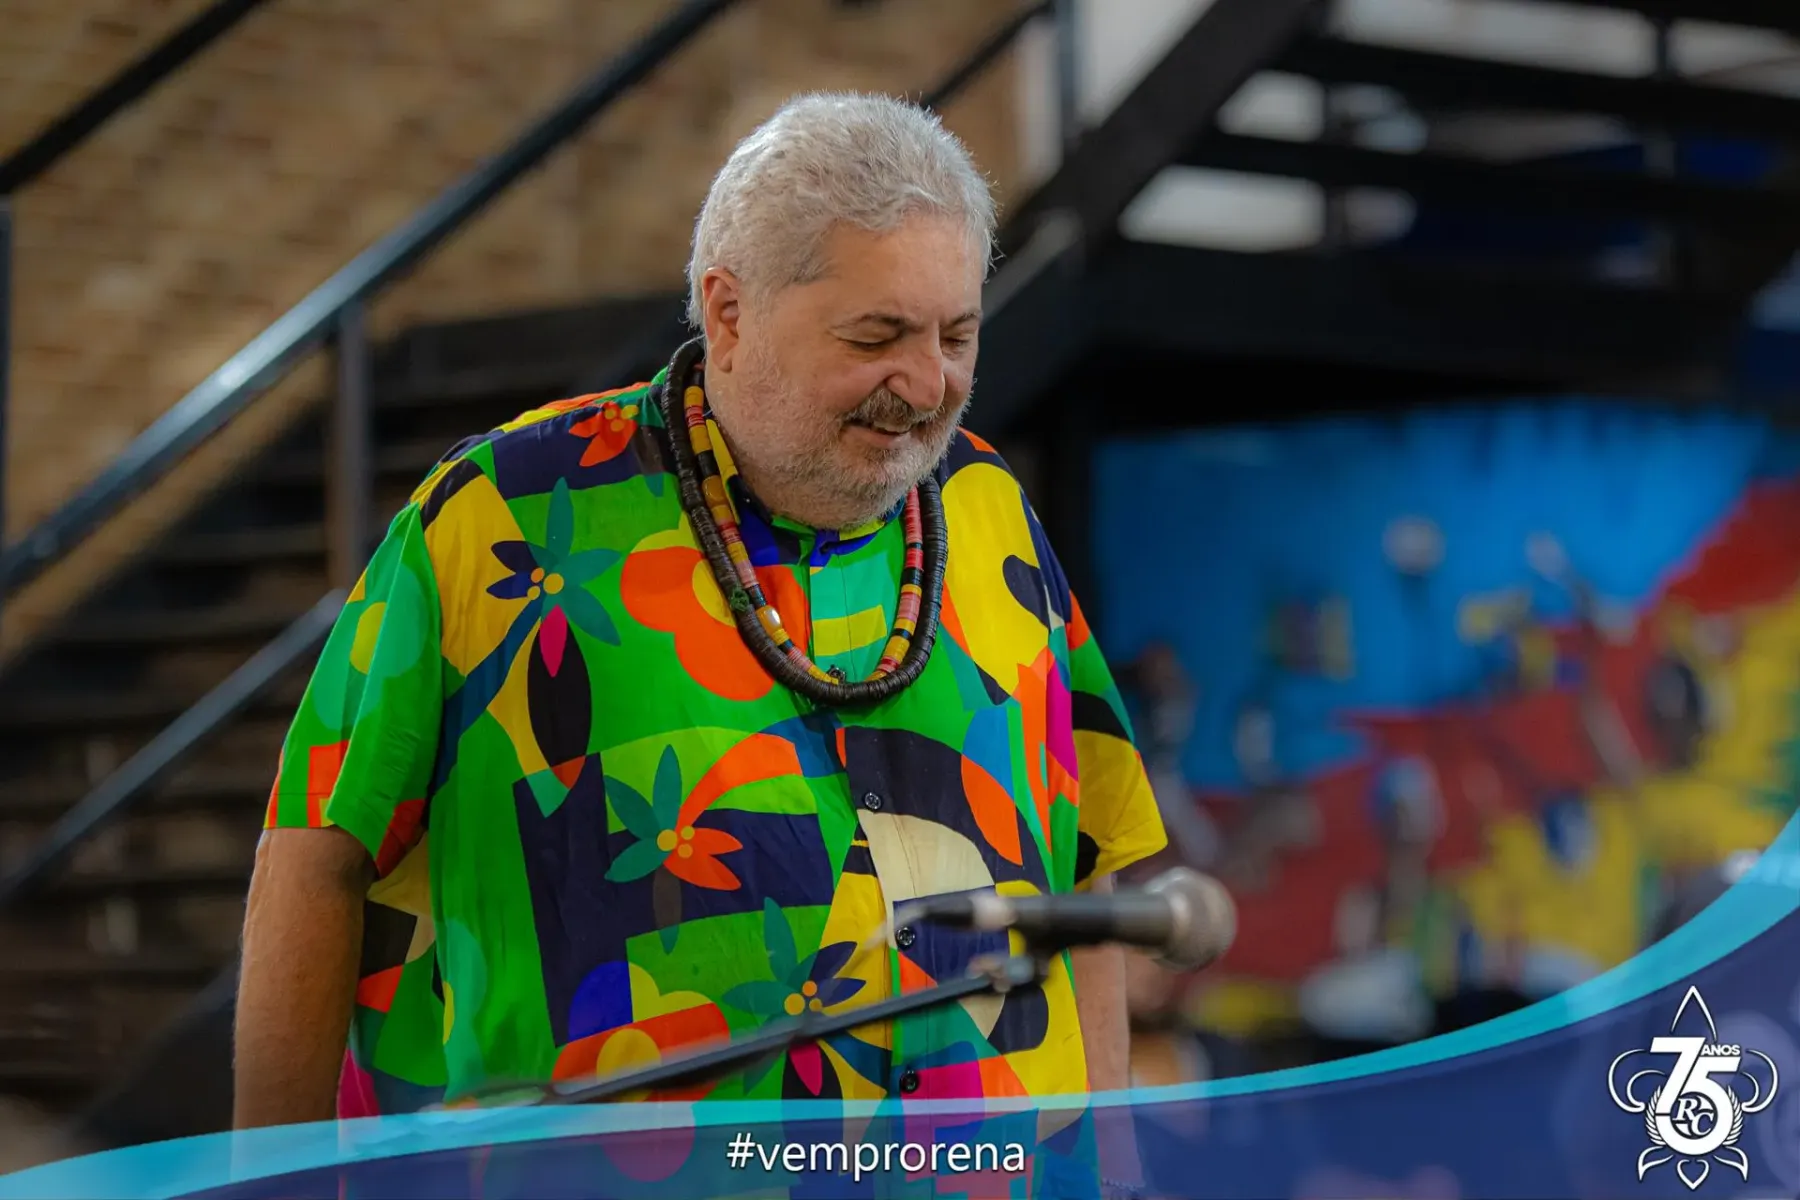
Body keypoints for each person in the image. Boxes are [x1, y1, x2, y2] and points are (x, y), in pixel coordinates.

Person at [234, 92, 1166, 1139]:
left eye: (958, 334)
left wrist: (1114, 1167)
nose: (926, 383)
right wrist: (269, 1178)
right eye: (877, 336)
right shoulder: (500, 518)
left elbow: (1090, 861)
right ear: (729, 314)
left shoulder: (987, 507)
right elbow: (316, 853)